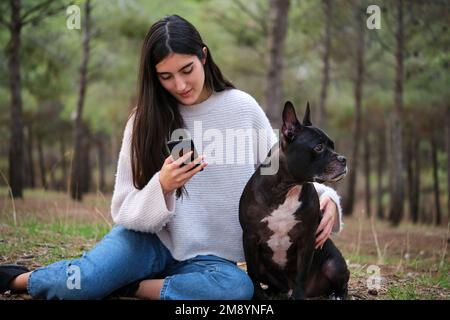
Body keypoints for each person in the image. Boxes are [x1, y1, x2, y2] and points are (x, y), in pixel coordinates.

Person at [0, 15, 343, 300]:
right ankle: (15, 279)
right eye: (166, 76)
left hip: (211, 262)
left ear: (204, 57)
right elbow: (123, 208)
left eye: (186, 69)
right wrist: (161, 187)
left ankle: (130, 287)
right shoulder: (145, 121)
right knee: (79, 286)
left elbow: (282, 167)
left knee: (236, 290)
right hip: (147, 243)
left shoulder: (242, 109)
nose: (179, 84)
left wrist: (328, 199)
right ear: (154, 76)